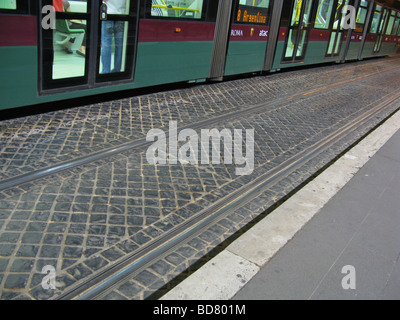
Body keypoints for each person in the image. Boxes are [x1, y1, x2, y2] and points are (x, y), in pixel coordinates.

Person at [100, 0, 127, 73]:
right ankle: (117, 70)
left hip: (108, 13)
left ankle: (106, 71)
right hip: (122, 14)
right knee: (119, 45)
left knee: (106, 44)